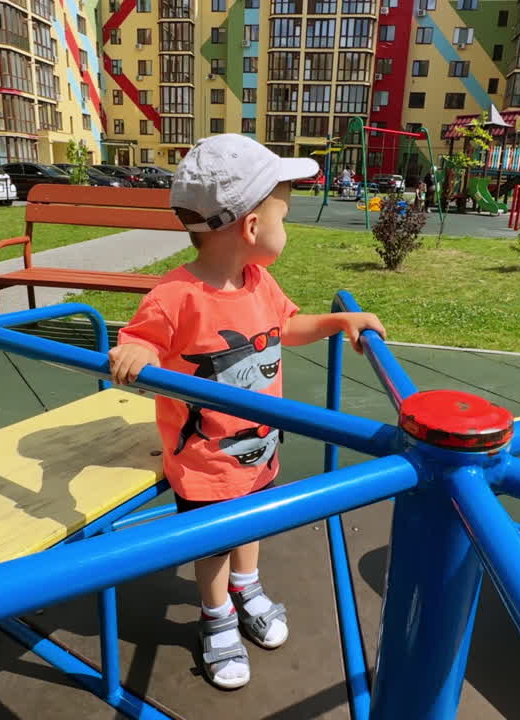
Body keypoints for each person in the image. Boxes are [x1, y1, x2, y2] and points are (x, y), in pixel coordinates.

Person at [108, 135, 385, 691]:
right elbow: (135, 342)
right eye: (286, 212)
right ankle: (215, 615)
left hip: (258, 446)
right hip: (203, 457)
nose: (290, 225)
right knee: (211, 542)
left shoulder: (258, 281)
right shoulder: (175, 296)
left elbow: (284, 326)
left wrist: (336, 324)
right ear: (253, 228)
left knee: (253, 518)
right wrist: (136, 351)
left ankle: (248, 584)